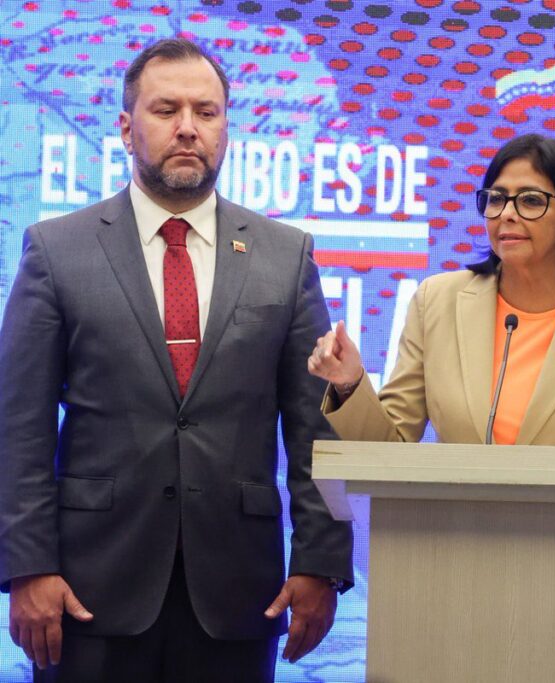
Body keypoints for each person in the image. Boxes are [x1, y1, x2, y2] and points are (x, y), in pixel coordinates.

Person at [0, 38, 353, 682]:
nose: (188, 128)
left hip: (239, 592)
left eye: (207, 112)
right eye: (166, 110)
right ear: (127, 127)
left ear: (226, 127)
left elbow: (313, 430)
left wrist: (319, 562)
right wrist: (28, 567)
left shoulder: (287, 255)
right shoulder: (56, 251)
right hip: (87, 590)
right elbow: (18, 427)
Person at [308, 133, 555, 524]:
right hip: (447, 549)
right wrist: (350, 383)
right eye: (496, 199)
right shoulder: (438, 302)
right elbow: (389, 450)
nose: (506, 214)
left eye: (530, 200)